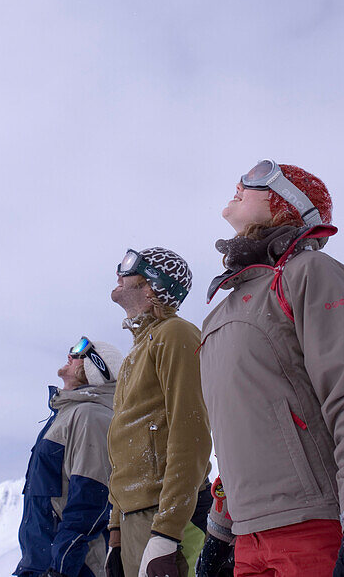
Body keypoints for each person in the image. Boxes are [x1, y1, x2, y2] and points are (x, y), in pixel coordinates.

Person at [195, 160, 344, 577]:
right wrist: (220, 528)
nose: (238, 184)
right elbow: (237, 429)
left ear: (286, 203)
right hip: (247, 537)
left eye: (253, 181)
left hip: (314, 525)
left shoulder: (308, 273)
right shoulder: (220, 312)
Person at [106, 247, 212, 577]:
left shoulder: (175, 335)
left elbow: (190, 434)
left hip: (166, 514)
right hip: (137, 515)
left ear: (151, 288)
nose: (118, 273)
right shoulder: (140, 349)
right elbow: (125, 448)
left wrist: (166, 533)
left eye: (128, 268)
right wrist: (116, 531)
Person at [16, 337, 126, 577]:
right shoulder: (69, 414)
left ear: (96, 367)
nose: (69, 355)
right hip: (41, 563)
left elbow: (89, 502)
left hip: (73, 567)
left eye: (78, 352)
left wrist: (62, 567)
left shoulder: (90, 416)